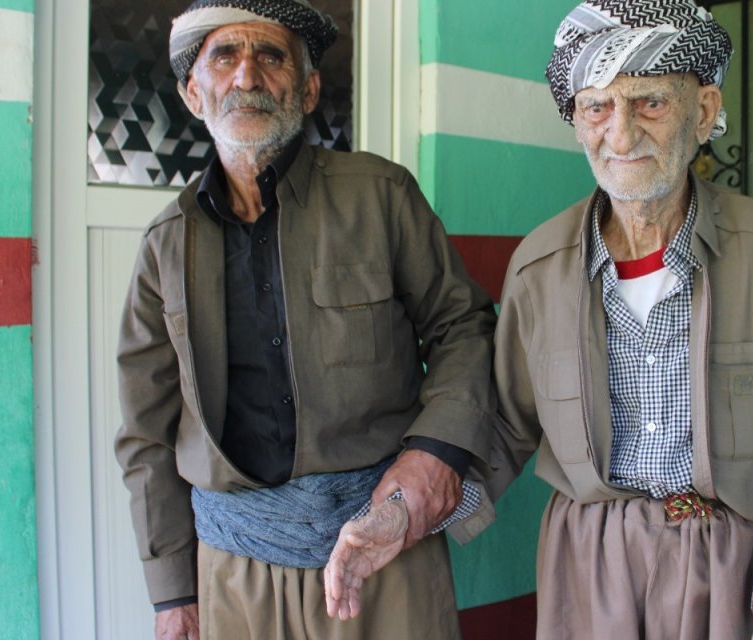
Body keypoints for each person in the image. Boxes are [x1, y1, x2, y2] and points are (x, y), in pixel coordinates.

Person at [324, 2, 753, 639]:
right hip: (587, 568)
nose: (620, 136)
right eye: (597, 107)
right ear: (577, 121)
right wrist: (407, 510)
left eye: (648, 103)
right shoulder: (540, 266)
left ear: (701, 112)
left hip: (734, 566)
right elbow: (501, 426)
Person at [114, 1, 498, 639]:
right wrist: (171, 593)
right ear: (192, 92)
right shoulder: (165, 245)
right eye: (225, 57)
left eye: (271, 55)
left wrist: (435, 458)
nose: (247, 76)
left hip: (385, 550)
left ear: (310, 86)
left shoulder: (381, 196)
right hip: (234, 575)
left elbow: (463, 328)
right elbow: (146, 433)